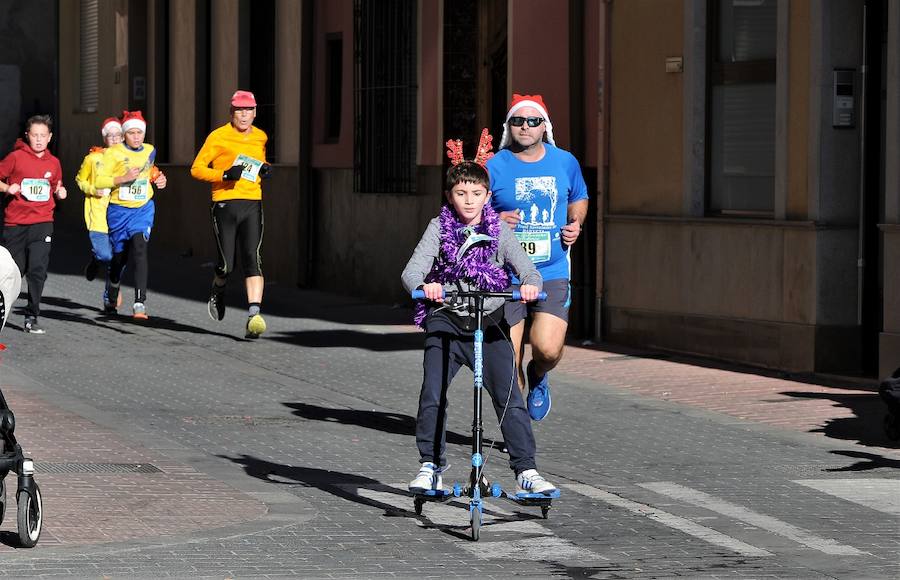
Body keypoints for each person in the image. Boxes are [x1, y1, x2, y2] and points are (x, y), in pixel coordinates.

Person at [401, 131, 556, 496]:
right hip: (447, 319)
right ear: (449, 196)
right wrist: (429, 287)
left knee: (508, 397)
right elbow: (411, 273)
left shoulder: (499, 230)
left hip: (490, 322)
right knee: (433, 392)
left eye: (476, 193)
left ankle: (526, 472)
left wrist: (530, 284)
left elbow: (528, 269)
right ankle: (431, 466)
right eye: (460, 193)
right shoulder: (439, 228)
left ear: (487, 196)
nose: (468, 200)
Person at [487, 94, 589, 422]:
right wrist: (494, 221)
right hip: (507, 275)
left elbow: (579, 197)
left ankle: (540, 375)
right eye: (518, 121)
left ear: (544, 126)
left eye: (533, 121)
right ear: (509, 126)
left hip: (551, 270)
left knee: (547, 349)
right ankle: (519, 434)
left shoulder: (565, 162)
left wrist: (575, 223)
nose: (526, 127)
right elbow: (469, 210)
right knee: (508, 361)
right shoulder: (493, 166)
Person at [190, 90, 271, 339]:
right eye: (239, 110)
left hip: (252, 202)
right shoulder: (218, 136)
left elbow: (257, 164)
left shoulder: (260, 137)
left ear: (255, 112)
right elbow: (196, 169)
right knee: (226, 264)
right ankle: (218, 286)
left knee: (253, 259)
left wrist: (264, 170)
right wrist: (224, 175)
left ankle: (253, 317)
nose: (244, 115)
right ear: (231, 113)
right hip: (224, 204)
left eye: (248, 110)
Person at [94, 110, 167, 319]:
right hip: (118, 211)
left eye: (140, 133)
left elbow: (151, 170)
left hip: (143, 209)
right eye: (131, 132)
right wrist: (122, 178)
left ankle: (139, 303)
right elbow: (99, 181)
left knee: (140, 247)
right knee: (119, 257)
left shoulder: (150, 150)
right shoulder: (113, 153)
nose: (136, 137)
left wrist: (160, 178)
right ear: (124, 134)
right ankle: (113, 286)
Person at [0, 114, 67, 334]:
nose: (39, 139)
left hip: (43, 222)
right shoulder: (16, 158)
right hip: (16, 224)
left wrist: (60, 191)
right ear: (27, 136)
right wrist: (7, 188)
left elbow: (57, 185)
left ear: (50, 138)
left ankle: (32, 315)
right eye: (35, 135)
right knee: (13, 272)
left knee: (38, 270)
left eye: (43, 135)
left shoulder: (54, 163)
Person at [75, 117, 124, 308]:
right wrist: (93, 190)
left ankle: (109, 299)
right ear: (104, 138)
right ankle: (96, 260)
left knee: (118, 258)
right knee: (105, 256)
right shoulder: (93, 159)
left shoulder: (126, 160)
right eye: (110, 136)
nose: (114, 139)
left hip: (120, 215)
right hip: (98, 216)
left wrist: (158, 177)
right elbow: (80, 180)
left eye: (118, 135)